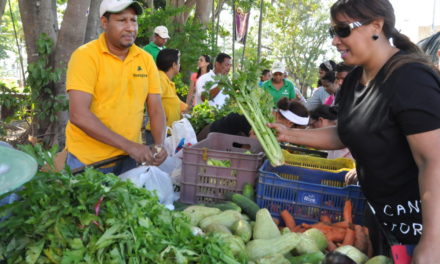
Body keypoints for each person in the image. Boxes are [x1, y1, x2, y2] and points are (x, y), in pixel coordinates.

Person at [269, 0, 440, 260]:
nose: (335, 41)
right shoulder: (355, 81)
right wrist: (290, 134)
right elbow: (347, 132)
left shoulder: (410, 79)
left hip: (420, 226)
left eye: (343, 30)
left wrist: (433, 241)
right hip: (383, 218)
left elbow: (434, 160)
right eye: (333, 32)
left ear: (376, 26)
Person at [65, 0, 167, 175]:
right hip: (87, 162)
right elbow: (78, 115)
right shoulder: (85, 56)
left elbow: (156, 108)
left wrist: (159, 145)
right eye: (122, 20)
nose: (130, 28)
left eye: (133, 20)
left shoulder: (145, 59)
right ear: (104, 23)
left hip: (129, 160)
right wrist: (130, 146)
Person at [145, 49, 188, 144]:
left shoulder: (168, 82)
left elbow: (174, 103)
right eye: (179, 62)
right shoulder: (160, 79)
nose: (180, 65)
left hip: (167, 133)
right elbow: (152, 100)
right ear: (173, 65)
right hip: (157, 135)